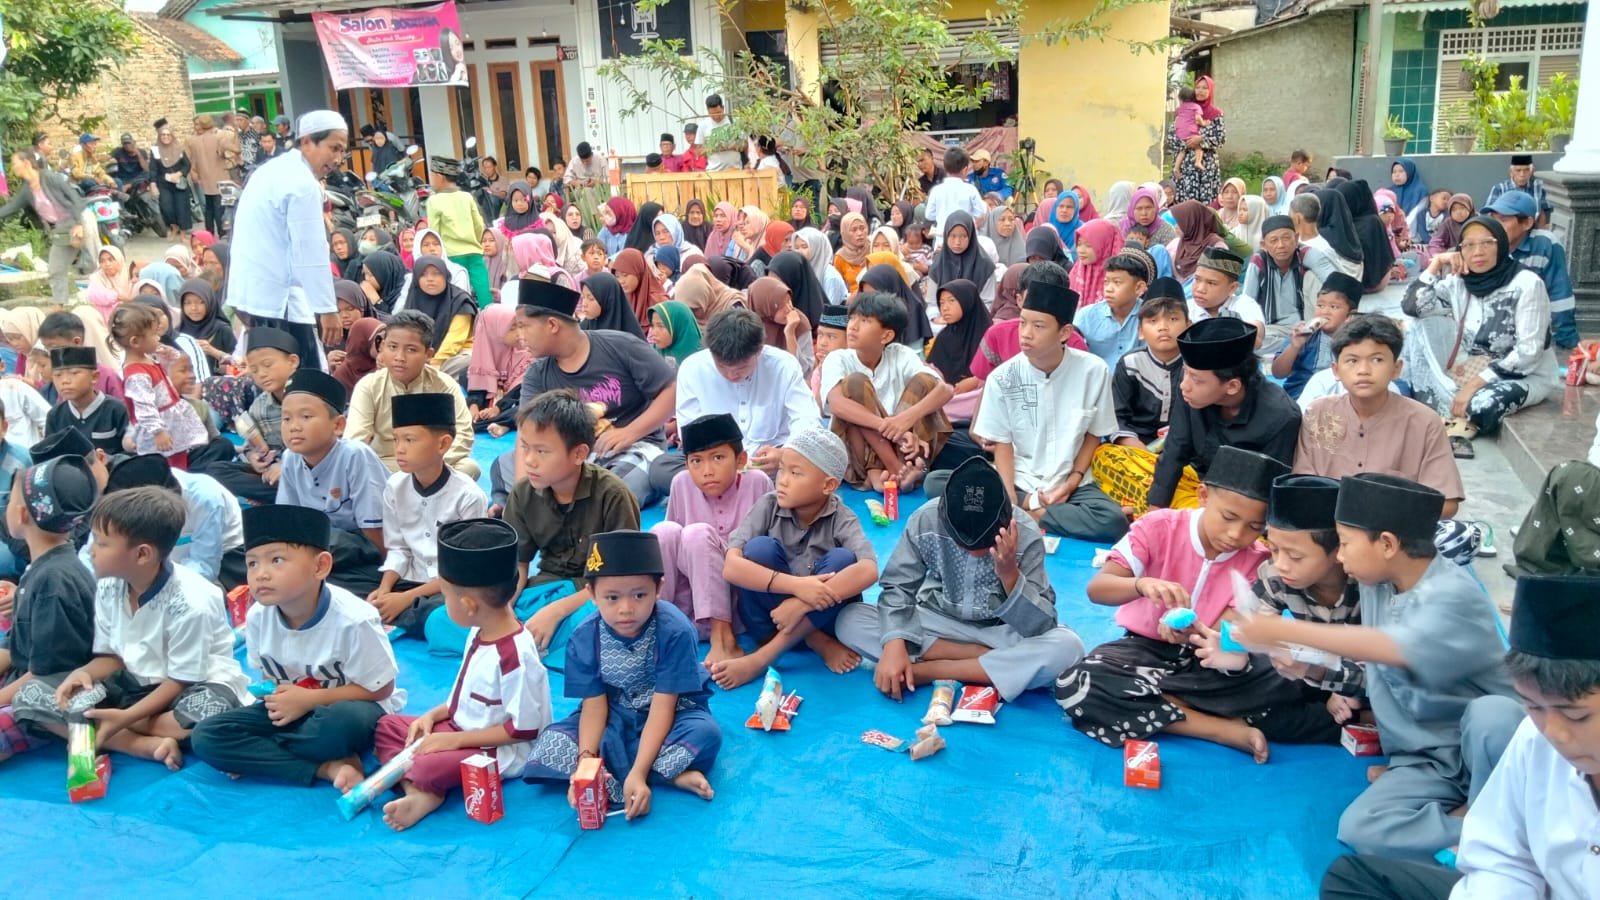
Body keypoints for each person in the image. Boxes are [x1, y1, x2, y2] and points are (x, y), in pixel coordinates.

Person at [1231, 473, 1524, 859]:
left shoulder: (1453, 595)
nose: (1339, 556)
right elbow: (1376, 674)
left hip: (1490, 751)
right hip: (1427, 758)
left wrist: (1281, 630)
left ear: (1387, 544)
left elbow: (1394, 648)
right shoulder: (1378, 583)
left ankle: (1489, 812)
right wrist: (1310, 668)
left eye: (1345, 543)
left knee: (1495, 715)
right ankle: (1475, 827)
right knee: (1360, 829)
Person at [1318, 573, 1600, 899]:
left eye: (1576, 716)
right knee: (1349, 879)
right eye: (1534, 707)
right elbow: (1505, 857)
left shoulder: (1451, 593)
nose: (1554, 733)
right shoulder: (1532, 737)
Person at [1056, 447, 1303, 762]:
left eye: (1254, 527)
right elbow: (1098, 589)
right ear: (1203, 495)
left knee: (1293, 680)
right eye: (1228, 517)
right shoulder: (1157, 526)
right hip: (1144, 652)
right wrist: (1141, 585)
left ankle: (1164, 701)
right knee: (1080, 683)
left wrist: (1197, 634)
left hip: (1211, 661)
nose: (1236, 534)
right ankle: (1217, 728)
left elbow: (1226, 636)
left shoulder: (1258, 560)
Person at [20, 487, 249, 771]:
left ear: (142, 554)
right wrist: (85, 673)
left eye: (102, 543)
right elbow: (112, 657)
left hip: (189, 686)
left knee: (204, 716)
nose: (90, 550)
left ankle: (109, 725)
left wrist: (126, 717)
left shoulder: (193, 601)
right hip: (133, 684)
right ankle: (140, 744)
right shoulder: (109, 585)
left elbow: (180, 680)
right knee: (31, 695)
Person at [839, 456, 1085, 702]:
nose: (973, 551)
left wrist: (1010, 575)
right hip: (936, 621)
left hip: (998, 631)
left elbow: (1041, 624)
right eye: (961, 541)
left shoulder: (1025, 532)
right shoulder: (926, 519)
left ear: (1006, 520)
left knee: (1067, 647)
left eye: (984, 542)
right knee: (849, 620)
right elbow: (897, 587)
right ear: (944, 518)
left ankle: (930, 670)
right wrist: (894, 643)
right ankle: (983, 662)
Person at [189, 504, 401, 788]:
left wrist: (309, 700)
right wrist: (284, 701)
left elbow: (381, 688)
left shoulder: (354, 619)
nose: (261, 574)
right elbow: (271, 681)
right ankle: (326, 767)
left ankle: (264, 755)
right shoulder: (257, 617)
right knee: (206, 736)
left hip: (347, 710)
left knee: (337, 726)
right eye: (252, 563)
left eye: (276, 560)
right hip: (294, 711)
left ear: (320, 566)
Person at [370, 518, 552, 831]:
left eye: (446, 595)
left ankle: (423, 789)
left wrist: (454, 741)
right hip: (459, 728)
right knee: (388, 727)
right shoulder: (478, 631)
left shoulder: (515, 657)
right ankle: (421, 793)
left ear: (468, 604)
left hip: (499, 748)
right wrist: (431, 717)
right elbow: (462, 699)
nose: (445, 603)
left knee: (426, 766)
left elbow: (522, 730)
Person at [524, 529, 720, 818]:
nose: (626, 609)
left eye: (639, 595)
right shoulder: (585, 636)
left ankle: (633, 773)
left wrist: (638, 773)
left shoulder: (675, 630)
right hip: (613, 710)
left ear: (658, 588)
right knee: (552, 743)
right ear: (592, 594)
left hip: (672, 710)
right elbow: (594, 708)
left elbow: (663, 707)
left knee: (705, 734)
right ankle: (669, 775)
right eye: (612, 597)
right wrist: (586, 763)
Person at [940, 278, 1126, 542]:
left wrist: (1071, 482)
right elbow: (1002, 442)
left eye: (1038, 326)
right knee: (938, 482)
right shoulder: (1003, 377)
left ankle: (1032, 513)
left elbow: (1094, 434)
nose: (1026, 334)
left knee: (1113, 522)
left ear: (1064, 333)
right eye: (1023, 323)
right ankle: (1027, 507)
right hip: (1017, 478)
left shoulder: (1094, 371)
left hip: (1071, 482)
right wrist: (1009, 498)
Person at [1191, 474, 1363, 746]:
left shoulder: (1366, 587)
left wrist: (1337, 683)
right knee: (1262, 706)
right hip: (1310, 674)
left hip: (1367, 679)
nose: (1281, 564)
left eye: (1295, 556)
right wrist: (1235, 657)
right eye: (1274, 550)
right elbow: (1253, 632)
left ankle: (1365, 718)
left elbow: (1390, 670)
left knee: (1382, 696)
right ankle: (1354, 722)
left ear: (1338, 552)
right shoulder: (1274, 575)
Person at [717, 428, 879, 689]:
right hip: (771, 622)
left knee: (843, 560)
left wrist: (801, 605)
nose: (782, 480)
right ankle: (815, 640)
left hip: (823, 620)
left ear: (828, 485)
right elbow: (731, 566)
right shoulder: (768, 505)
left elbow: (869, 570)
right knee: (758, 550)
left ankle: (761, 659)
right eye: (782, 469)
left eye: (795, 473)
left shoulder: (842, 517)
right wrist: (798, 587)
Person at [496, 390, 641, 668]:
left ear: (579, 454)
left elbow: (622, 581)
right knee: (446, 620)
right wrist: (503, 609)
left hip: (596, 596)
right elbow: (518, 565)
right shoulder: (523, 492)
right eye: (525, 447)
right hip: (544, 589)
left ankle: (534, 645)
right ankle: (537, 644)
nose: (529, 460)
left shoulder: (613, 495)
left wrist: (556, 611)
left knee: (600, 626)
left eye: (542, 451)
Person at [1401, 215, 1556, 457]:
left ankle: (1449, 415)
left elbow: (1529, 351)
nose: (1478, 252)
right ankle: (1444, 413)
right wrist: (1436, 263)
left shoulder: (1527, 284)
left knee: (1482, 406)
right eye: (1469, 245)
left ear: (1501, 245)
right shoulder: (1460, 282)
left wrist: (1475, 384)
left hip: (1522, 374)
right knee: (1413, 328)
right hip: (1472, 366)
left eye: (1487, 243)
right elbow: (1412, 307)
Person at [518, 281, 676, 506]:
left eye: (524, 326)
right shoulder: (537, 373)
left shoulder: (620, 346)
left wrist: (630, 432)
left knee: (612, 489)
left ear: (552, 324)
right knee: (506, 467)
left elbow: (671, 389)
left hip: (634, 447)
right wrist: (522, 498)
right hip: (571, 454)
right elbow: (526, 431)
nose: (520, 336)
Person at [1294, 315, 1464, 514]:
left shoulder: (1424, 422)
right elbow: (1301, 486)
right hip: (1326, 525)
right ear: (1336, 370)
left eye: (1377, 360)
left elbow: (1447, 503)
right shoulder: (1317, 414)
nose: (1363, 370)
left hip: (1394, 529)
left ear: (1396, 369)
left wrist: (1384, 511)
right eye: (1352, 361)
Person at [648, 307, 820, 493]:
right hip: (714, 462)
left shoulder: (783, 365)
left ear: (759, 351)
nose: (731, 375)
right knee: (660, 470)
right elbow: (689, 429)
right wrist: (725, 463)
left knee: (815, 466)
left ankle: (738, 491)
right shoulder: (693, 368)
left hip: (770, 462)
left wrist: (785, 455)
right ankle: (753, 490)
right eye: (722, 367)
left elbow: (806, 418)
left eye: (741, 368)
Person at [229, 110, 349, 368]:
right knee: (305, 381)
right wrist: (327, 309)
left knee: (272, 380)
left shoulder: (271, 170)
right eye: (333, 148)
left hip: (255, 297)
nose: (338, 159)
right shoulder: (302, 184)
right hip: (281, 302)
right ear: (307, 142)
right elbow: (310, 251)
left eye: (342, 151)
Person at [649, 413, 772, 665]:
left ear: (741, 459)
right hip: (688, 606)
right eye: (696, 461)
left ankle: (723, 638)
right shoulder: (681, 483)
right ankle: (659, 628)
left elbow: (771, 548)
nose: (707, 471)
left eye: (718, 458)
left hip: (738, 603)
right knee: (663, 531)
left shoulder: (757, 482)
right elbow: (672, 552)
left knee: (697, 533)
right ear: (686, 464)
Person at [0, 456, 100, 763]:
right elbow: (15, 645)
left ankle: (94, 738)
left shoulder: (54, 581)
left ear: (21, 514)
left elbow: (48, 673)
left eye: (9, 500)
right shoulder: (42, 566)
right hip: (26, 675)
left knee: (25, 704)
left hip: (51, 694)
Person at [365, 392, 489, 638]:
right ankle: (394, 611)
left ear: (442, 444)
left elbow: (463, 570)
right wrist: (385, 589)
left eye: (410, 440)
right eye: (396, 439)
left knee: (452, 611)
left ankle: (403, 614)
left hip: (449, 588)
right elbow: (398, 548)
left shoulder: (468, 496)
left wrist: (405, 599)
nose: (399, 449)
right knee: (343, 581)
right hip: (408, 577)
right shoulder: (395, 486)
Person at [262, 368, 390, 599]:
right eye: (286, 418)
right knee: (250, 551)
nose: (294, 426)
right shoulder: (290, 458)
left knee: (323, 544)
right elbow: (287, 518)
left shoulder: (355, 455)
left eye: (306, 417)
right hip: (317, 549)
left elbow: (375, 530)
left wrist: (385, 579)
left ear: (338, 425)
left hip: (360, 546)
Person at [1148, 317, 1301, 509]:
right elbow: (1175, 450)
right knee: (1119, 461)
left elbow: (1267, 490)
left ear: (1232, 386)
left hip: (1241, 504)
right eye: (1185, 372)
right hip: (1196, 481)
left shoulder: (1281, 416)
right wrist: (1155, 510)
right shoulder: (1191, 391)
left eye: (1196, 379)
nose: (1184, 385)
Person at [820, 292, 953, 492]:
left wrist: (906, 419)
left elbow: (945, 390)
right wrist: (889, 427)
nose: (853, 326)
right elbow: (837, 404)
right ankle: (891, 469)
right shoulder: (838, 358)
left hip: (901, 447)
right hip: (857, 453)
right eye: (852, 318)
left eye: (864, 321)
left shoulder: (900, 354)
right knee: (855, 384)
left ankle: (899, 471)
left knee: (925, 381)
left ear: (886, 336)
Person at [346, 311, 480, 480]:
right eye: (392, 347)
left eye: (411, 350)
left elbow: (463, 435)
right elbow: (356, 440)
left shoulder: (444, 386)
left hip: (432, 464)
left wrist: (428, 467)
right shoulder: (369, 386)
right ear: (382, 347)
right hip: (384, 464)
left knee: (469, 468)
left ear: (428, 355)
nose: (399, 357)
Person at [201, 327, 299, 502]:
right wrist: (254, 458)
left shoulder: (309, 398)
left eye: (267, 365)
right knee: (216, 470)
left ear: (292, 362)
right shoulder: (259, 406)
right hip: (273, 471)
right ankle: (276, 494)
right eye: (253, 370)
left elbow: (325, 446)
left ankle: (282, 495)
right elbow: (250, 446)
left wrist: (286, 466)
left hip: (307, 470)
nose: (261, 374)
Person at [1482, 189, 1580, 353]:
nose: (1495, 226)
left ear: (1527, 223)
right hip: (1490, 330)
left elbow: (1559, 295)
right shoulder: (1483, 245)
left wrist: (1568, 342)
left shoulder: (1545, 245)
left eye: (1503, 220)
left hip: (1532, 330)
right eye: (1493, 219)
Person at [112, 304, 207, 468]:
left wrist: (168, 354)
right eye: (154, 335)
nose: (158, 338)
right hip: (160, 428)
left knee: (179, 460)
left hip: (171, 421)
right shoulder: (136, 374)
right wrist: (158, 431)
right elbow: (144, 406)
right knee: (165, 466)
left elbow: (173, 362)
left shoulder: (147, 358)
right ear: (135, 341)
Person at [0, 149, 87, 305]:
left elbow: (74, 198)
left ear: (26, 163)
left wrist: (79, 224)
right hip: (61, 229)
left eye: (15, 163)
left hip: (81, 219)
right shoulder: (27, 189)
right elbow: (11, 207)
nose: (12, 167)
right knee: (55, 269)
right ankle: (60, 306)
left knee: (94, 261)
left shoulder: (50, 178)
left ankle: (107, 294)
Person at [1112, 286, 1189, 447]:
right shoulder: (1130, 363)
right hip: (1135, 442)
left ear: (1188, 326)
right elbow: (1117, 416)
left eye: (1173, 319)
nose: (1163, 327)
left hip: (1185, 443)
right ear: (1140, 331)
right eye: (1153, 321)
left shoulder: (1197, 365)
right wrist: (1135, 446)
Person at [1270, 272, 1362, 400]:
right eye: (1320, 305)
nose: (1324, 312)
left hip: (1342, 397)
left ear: (1350, 315)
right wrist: (1294, 346)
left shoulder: (1359, 341)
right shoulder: (1305, 334)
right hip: (1301, 395)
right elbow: (1278, 373)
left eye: (1334, 307)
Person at [1242, 214, 1324, 350]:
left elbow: (1332, 283)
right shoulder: (1259, 261)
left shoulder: (1305, 257)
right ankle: (1295, 346)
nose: (1280, 245)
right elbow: (1247, 302)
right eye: (1273, 240)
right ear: (1264, 245)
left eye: (1286, 238)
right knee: (1253, 342)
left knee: (1311, 277)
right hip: (1270, 328)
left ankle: (1296, 346)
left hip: (1302, 326)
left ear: (1296, 239)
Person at [45, 347, 128, 457]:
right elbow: (51, 457)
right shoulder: (55, 416)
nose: (65, 381)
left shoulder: (116, 409)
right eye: (58, 375)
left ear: (94, 377)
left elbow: (130, 453)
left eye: (74, 373)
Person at [1074, 251, 1149, 369]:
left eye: (1117, 283)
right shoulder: (1086, 316)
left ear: (1139, 287)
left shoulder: (1150, 316)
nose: (1109, 289)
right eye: (1106, 282)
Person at [1187, 247, 1265, 343]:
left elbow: (1256, 337)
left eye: (1211, 283)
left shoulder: (1244, 305)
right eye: (1197, 279)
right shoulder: (1186, 309)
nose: (1200, 289)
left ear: (1232, 288)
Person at [925, 146, 986, 241]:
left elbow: (929, 215)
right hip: (966, 239)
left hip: (943, 239)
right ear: (965, 169)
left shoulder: (936, 190)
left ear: (945, 167)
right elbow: (980, 213)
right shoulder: (970, 190)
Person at [149, 120, 194, 238]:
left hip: (179, 182)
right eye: (163, 135)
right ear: (159, 136)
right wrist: (153, 185)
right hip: (163, 183)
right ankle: (174, 227)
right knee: (166, 207)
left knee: (181, 208)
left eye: (168, 135)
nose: (166, 137)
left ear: (172, 136)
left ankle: (183, 234)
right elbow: (153, 169)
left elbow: (187, 165)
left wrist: (179, 174)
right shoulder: (155, 150)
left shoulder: (179, 148)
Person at [1484, 153, 1552, 227]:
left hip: (1532, 228)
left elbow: (1543, 212)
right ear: (1511, 172)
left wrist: (1541, 231)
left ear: (1531, 171)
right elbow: (1489, 214)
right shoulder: (1500, 188)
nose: (1522, 174)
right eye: (1518, 170)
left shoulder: (1538, 187)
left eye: (1526, 170)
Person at [698, 94, 744, 172]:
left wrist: (727, 146)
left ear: (723, 108)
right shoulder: (703, 125)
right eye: (712, 114)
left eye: (718, 113)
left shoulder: (734, 121)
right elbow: (698, 151)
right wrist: (715, 148)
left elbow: (744, 145)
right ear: (708, 111)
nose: (716, 117)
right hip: (713, 171)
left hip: (735, 170)